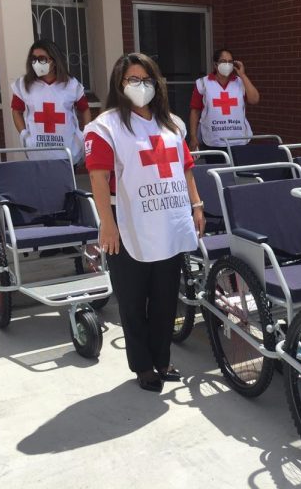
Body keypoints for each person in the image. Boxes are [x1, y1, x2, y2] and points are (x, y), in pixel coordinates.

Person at [84, 53, 205, 393]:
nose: (141, 86)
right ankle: (143, 366)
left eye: (147, 79)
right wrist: (107, 226)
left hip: (167, 220)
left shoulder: (172, 124)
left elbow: (185, 168)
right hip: (125, 223)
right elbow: (98, 178)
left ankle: (162, 360)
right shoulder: (105, 126)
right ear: (119, 86)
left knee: (166, 298)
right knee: (134, 300)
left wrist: (196, 205)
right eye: (132, 80)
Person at [11, 39, 91, 163]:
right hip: (37, 154)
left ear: (54, 61)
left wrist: (84, 135)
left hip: (67, 153)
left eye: (42, 59)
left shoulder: (71, 85)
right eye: (34, 59)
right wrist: (24, 135)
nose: (37, 63)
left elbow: (84, 109)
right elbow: (16, 111)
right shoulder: (24, 84)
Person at [188, 49, 260, 155]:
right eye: (223, 61)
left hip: (239, 139)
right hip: (213, 140)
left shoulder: (240, 82)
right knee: (217, 170)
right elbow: (195, 111)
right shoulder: (203, 83)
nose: (227, 64)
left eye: (230, 62)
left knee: (239, 171)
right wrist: (193, 136)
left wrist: (243, 75)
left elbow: (254, 100)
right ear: (215, 65)